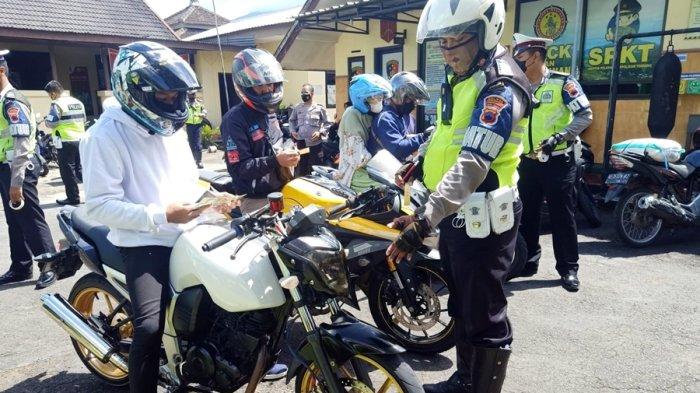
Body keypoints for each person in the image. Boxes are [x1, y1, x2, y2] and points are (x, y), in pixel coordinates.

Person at [386, 1, 532, 391]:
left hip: (485, 218)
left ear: (485, 32)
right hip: (458, 215)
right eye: (442, 42)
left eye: (455, 41)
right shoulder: (464, 76)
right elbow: (446, 133)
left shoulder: (500, 87)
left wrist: (422, 222)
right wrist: (419, 161)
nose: (447, 51)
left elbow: (472, 163)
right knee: (463, 306)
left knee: (484, 315)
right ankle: (465, 381)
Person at [512, 33, 593, 292]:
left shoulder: (562, 84)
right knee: (527, 215)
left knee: (562, 216)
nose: (517, 60)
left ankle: (568, 269)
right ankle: (528, 262)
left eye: (521, 56)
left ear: (536, 56)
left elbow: (585, 115)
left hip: (558, 160)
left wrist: (560, 136)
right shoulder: (519, 85)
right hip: (526, 162)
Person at [0, 49, 57, 289]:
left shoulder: (12, 101)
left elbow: (22, 144)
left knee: (30, 218)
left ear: (1, 71)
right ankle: (21, 266)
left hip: (19, 168)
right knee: (15, 219)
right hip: (7, 167)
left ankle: (50, 264)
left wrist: (16, 182)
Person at [221, 48, 300, 216]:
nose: (267, 90)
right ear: (245, 86)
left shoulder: (268, 113)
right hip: (254, 199)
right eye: (259, 86)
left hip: (282, 190)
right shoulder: (234, 119)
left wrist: (290, 148)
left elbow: (277, 140)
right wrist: (276, 161)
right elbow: (241, 168)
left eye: (269, 84)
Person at [334, 74, 392, 191]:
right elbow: (357, 156)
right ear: (361, 98)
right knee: (387, 191)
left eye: (380, 97)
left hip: (371, 168)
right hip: (353, 172)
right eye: (374, 98)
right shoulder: (352, 115)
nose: (379, 101)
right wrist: (380, 161)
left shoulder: (371, 114)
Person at [369, 71, 430, 162]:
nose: (414, 104)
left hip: (396, 169)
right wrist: (423, 137)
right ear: (400, 95)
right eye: (410, 99)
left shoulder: (403, 117)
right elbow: (397, 149)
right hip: (380, 172)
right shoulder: (385, 118)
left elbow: (406, 140)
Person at [44, 80, 86, 205]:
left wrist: (46, 121)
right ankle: (95, 194)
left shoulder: (57, 104)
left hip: (65, 141)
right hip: (81, 139)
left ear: (53, 93)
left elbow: (52, 122)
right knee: (80, 170)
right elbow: (83, 119)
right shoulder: (77, 102)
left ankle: (73, 198)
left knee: (68, 172)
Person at [289, 83, 328, 175]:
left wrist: (320, 132)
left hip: (315, 144)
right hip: (302, 142)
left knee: (316, 167)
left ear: (312, 93)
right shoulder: (298, 107)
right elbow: (291, 120)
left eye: (305, 92)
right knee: (302, 165)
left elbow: (328, 123)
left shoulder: (319, 108)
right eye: (302, 92)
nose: (303, 95)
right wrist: (293, 130)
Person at [185, 91, 206, 168]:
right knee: (191, 144)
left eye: (193, 94)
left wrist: (203, 114)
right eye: (190, 94)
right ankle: (192, 161)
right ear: (188, 95)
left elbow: (204, 110)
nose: (192, 96)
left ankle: (199, 161)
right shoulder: (185, 104)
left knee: (198, 144)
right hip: (189, 125)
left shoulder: (199, 103)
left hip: (198, 126)